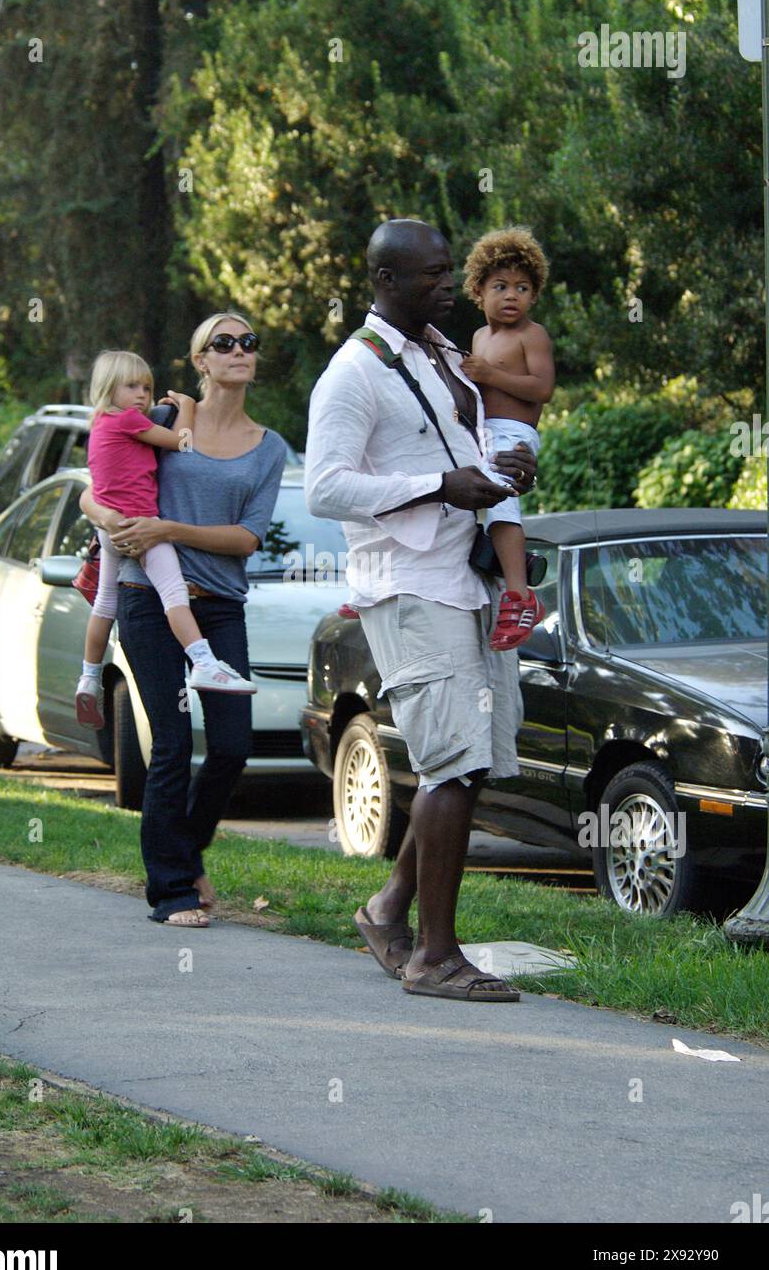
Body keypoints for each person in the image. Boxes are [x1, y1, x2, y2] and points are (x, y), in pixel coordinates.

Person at [305, 219, 537, 1002]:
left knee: (469, 764)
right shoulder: (352, 373)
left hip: (463, 578)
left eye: (448, 271)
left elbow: (462, 449)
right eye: (433, 274)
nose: (449, 285)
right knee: (451, 764)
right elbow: (324, 487)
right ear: (384, 280)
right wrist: (439, 486)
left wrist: (499, 466)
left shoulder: (442, 353)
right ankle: (434, 957)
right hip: (407, 587)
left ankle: (385, 912)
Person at [79, 315, 286, 927]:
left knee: (230, 746)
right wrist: (100, 511)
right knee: (170, 744)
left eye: (249, 341)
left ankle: (186, 851)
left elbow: (247, 539)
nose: (238, 351)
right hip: (149, 600)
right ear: (199, 360)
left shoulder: (269, 447)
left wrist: (169, 529)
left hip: (219, 605)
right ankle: (170, 890)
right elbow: (102, 482)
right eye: (223, 343)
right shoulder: (166, 422)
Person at [76, 349, 256, 731]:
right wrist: (187, 405)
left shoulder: (100, 421)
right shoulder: (127, 420)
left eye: (147, 387)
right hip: (142, 527)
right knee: (174, 594)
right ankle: (205, 663)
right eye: (131, 387)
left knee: (105, 603)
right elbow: (183, 443)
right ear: (109, 388)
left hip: (109, 529)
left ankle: (89, 677)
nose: (142, 395)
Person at [460, 227, 555, 650]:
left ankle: (520, 595)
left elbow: (542, 389)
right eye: (501, 286)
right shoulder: (480, 337)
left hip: (515, 435)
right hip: (482, 434)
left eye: (522, 287)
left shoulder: (531, 335)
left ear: (534, 295)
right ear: (478, 291)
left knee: (502, 506)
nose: (512, 295)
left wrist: (490, 375)